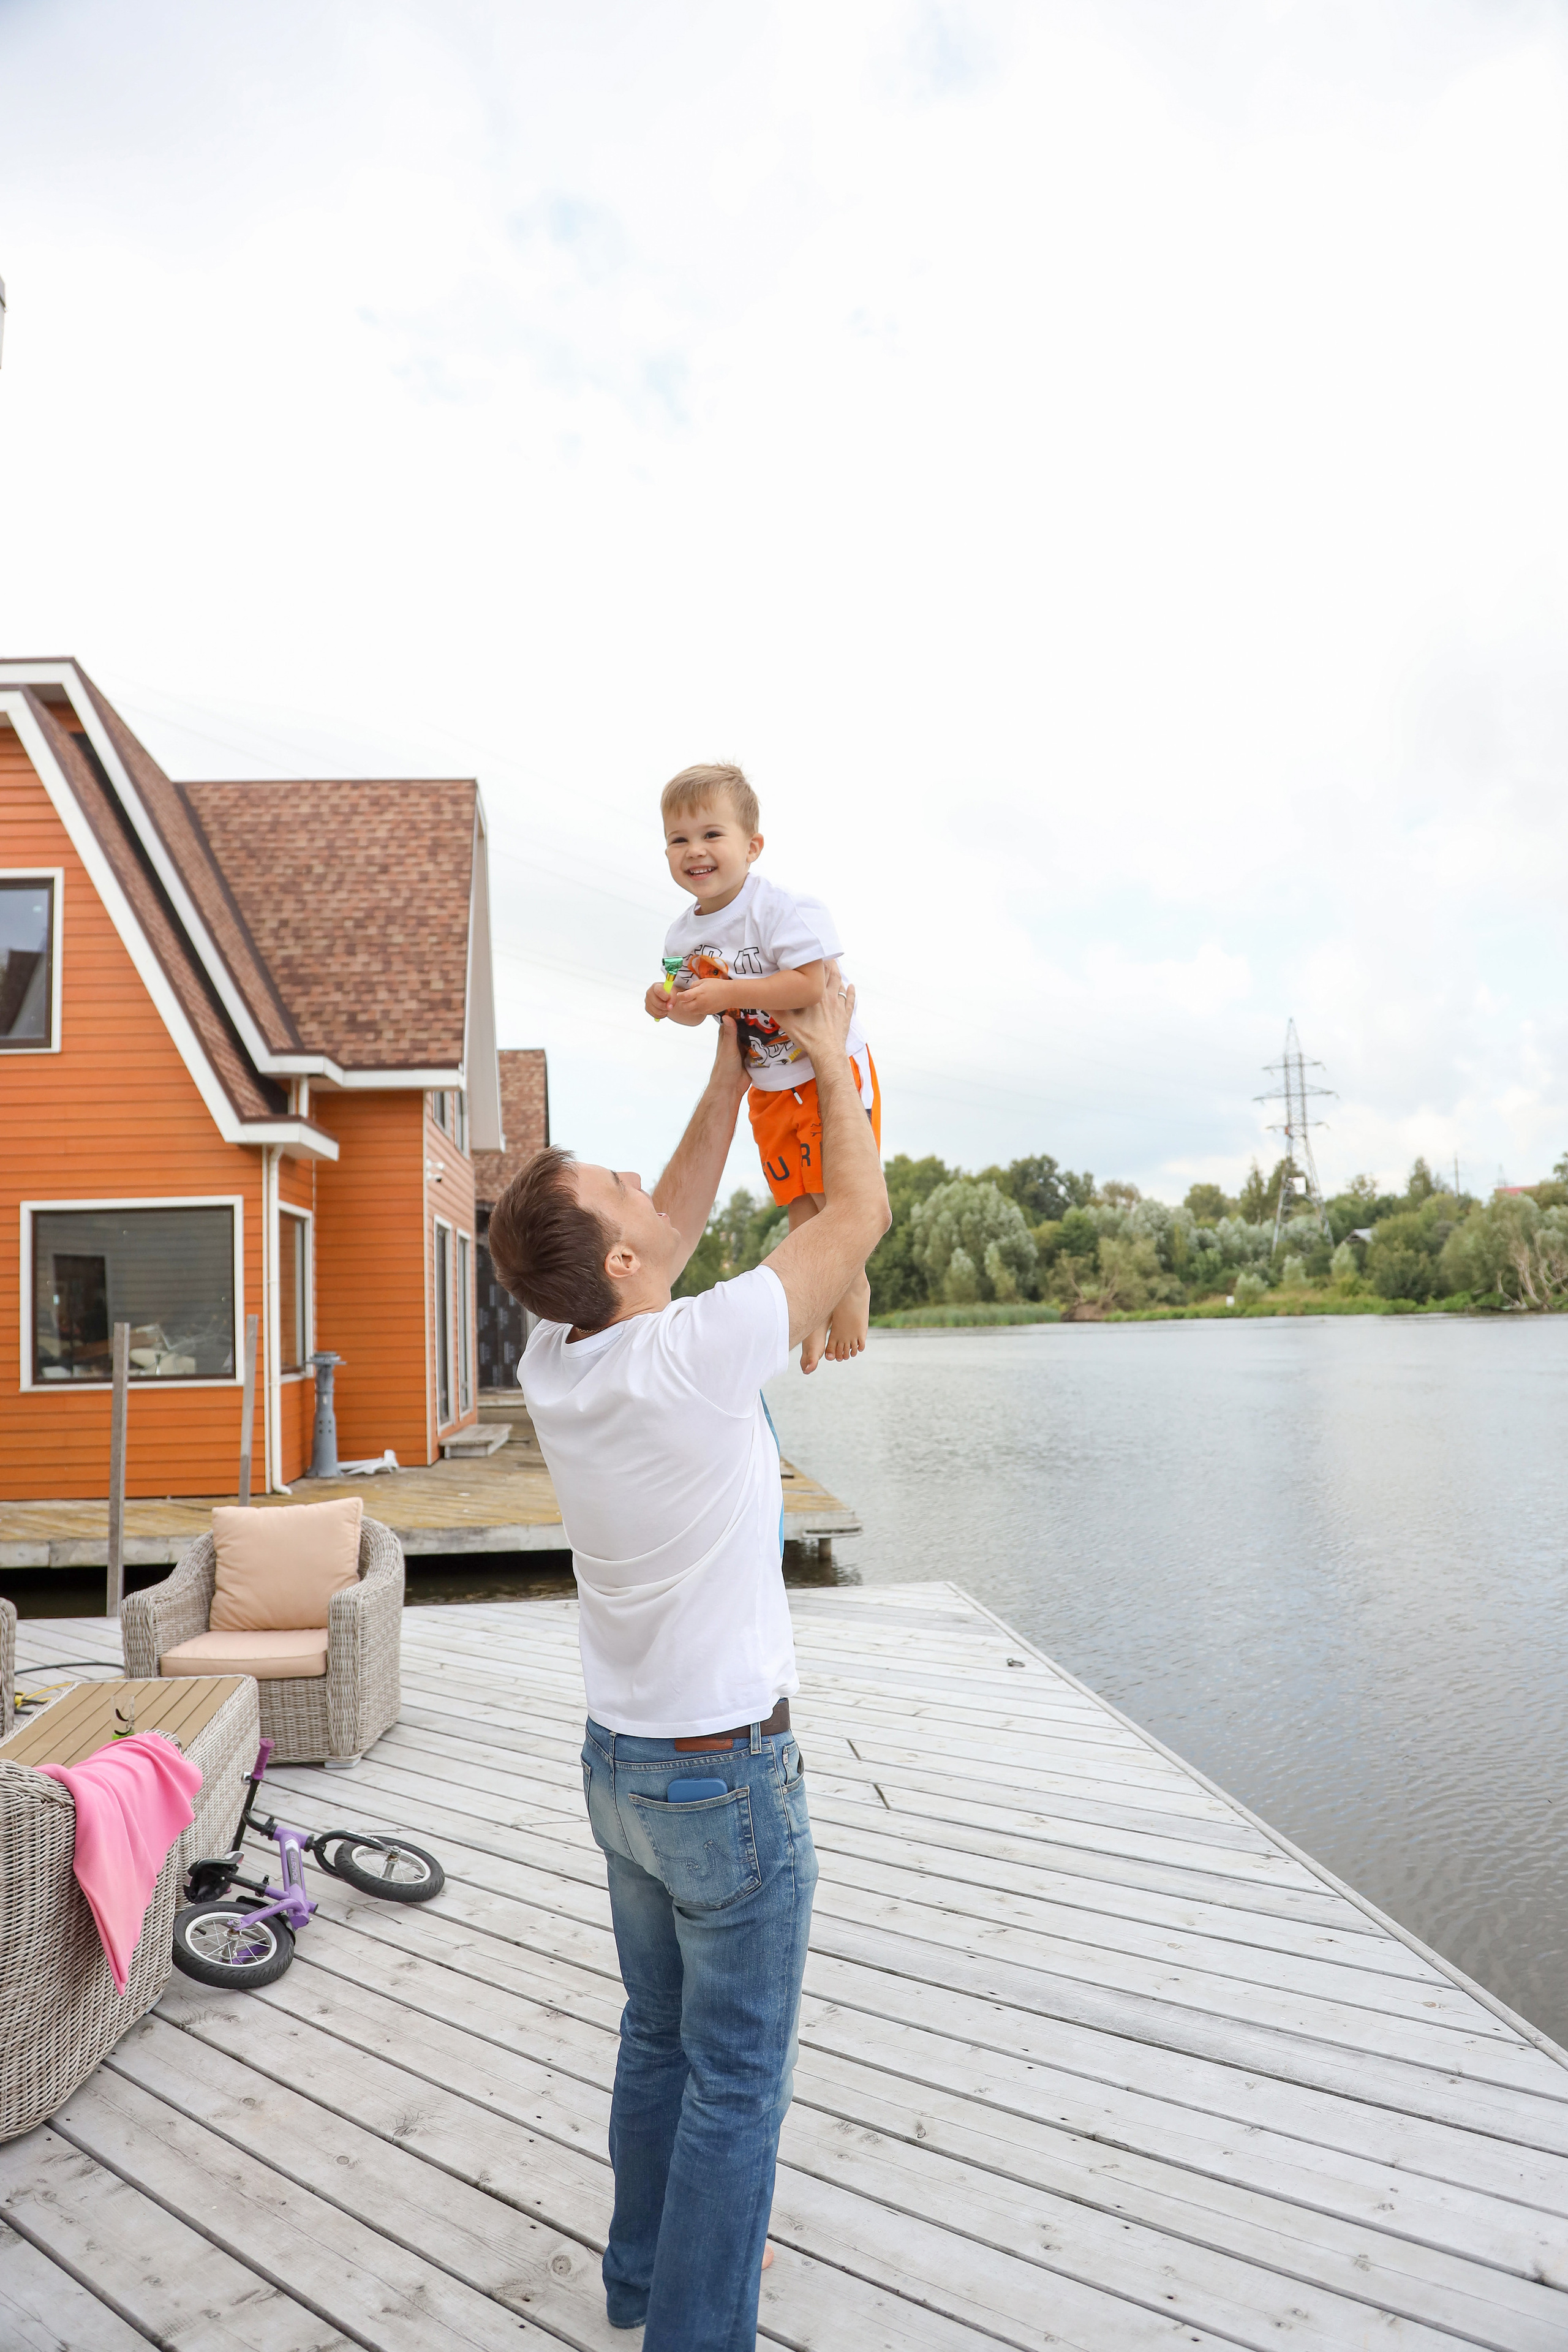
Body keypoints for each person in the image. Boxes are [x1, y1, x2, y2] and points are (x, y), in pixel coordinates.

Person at [485, 982, 889, 2352]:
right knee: (733, 2079)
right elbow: (856, 1223)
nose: (637, 1185)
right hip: (722, 1781)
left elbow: (669, 1216)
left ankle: (643, 2281)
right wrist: (826, 1067)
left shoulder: (560, 1355)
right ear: (611, 1266)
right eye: (611, 1184)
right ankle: (693, 2333)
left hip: (623, 1774)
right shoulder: (694, 1357)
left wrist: (727, 1073)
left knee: (657, 2041)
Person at [644, 761, 881, 1373]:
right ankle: (817, 1300)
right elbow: (696, 1013)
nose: (694, 850)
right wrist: (668, 1006)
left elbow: (808, 985)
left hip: (827, 1067)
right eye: (678, 839)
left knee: (835, 1192)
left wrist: (728, 994)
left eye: (710, 834)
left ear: (751, 846)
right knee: (799, 1204)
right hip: (772, 1084)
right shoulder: (679, 940)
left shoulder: (781, 908)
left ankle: (850, 1285)